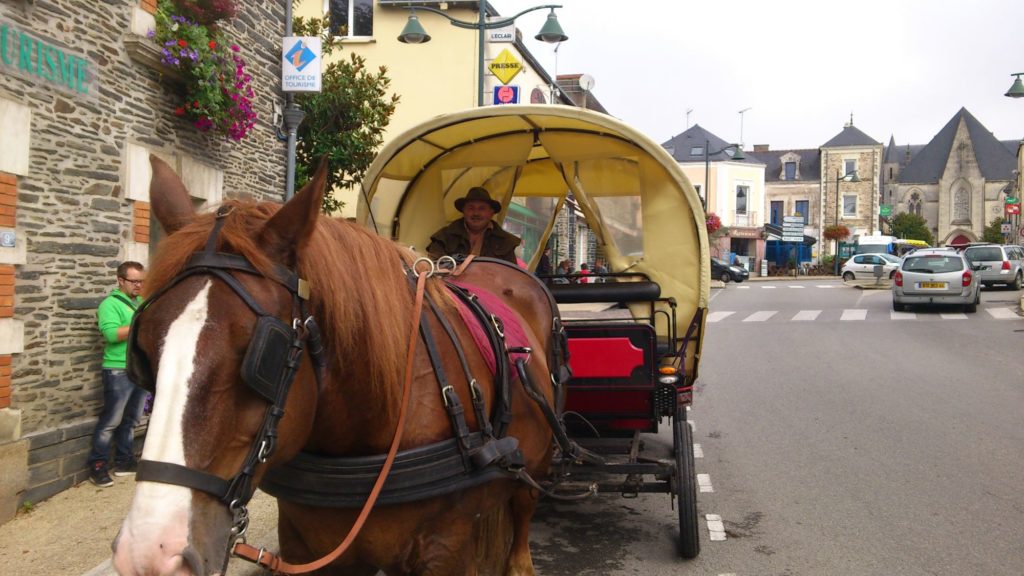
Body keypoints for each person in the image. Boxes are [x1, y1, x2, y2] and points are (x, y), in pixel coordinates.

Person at [87, 261, 147, 487]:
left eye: (141, 281)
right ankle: (98, 466)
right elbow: (112, 335)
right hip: (117, 368)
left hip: (137, 368)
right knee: (111, 421)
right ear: (120, 280)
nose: (138, 286)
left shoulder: (140, 302)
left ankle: (124, 461)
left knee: (131, 420)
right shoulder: (109, 305)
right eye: (134, 281)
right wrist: (142, 322)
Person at [426, 187, 521, 264]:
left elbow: (511, 277)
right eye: (471, 208)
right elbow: (433, 266)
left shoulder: (505, 241)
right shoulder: (444, 237)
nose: (476, 213)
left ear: (491, 213)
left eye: (482, 208)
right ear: (463, 211)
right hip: (449, 287)